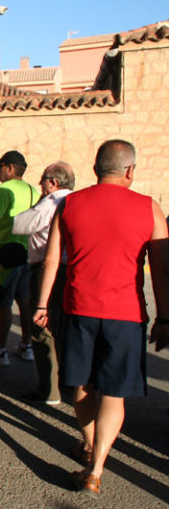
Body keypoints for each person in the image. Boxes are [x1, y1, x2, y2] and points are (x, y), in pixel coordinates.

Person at [34, 139, 169, 498]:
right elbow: (162, 271)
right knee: (114, 392)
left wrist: (42, 304)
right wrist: (166, 318)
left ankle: (89, 443)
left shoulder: (70, 203)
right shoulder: (149, 208)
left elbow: (51, 260)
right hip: (126, 314)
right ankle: (96, 469)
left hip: (79, 308)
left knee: (81, 384)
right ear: (130, 170)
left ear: (96, 169)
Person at [13, 162, 74, 405]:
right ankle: (69, 380)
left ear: (53, 182)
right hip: (70, 269)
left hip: (46, 267)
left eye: (43, 180)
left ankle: (48, 389)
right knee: (65, 326)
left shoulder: (50, 202)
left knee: (42, 326)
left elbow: (20, 224)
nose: (40, 184)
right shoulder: (75, 200)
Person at [0, 150, 39, 366]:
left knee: (3, 303)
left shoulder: (5, 189)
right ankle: (26, 345)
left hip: (8, 249)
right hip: (29, 251)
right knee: (25, 301)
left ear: (9, 168)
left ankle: (0, 350)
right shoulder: (33, 191)